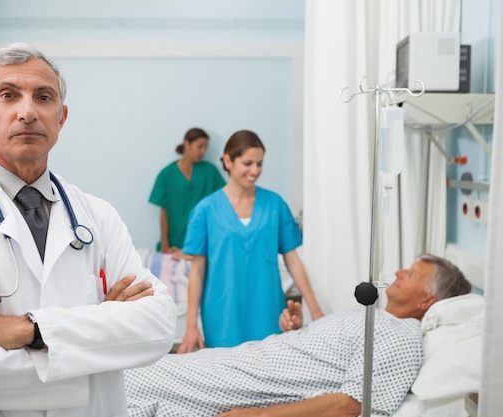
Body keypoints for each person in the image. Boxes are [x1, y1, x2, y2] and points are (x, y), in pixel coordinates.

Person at [0, 43, 177, 417]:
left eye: (43, 97)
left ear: (61, 117)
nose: (27, 112)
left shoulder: (99, 216)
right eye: (8, 95)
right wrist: (94, 353)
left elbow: (157, 326)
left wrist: (32, 330)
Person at [125, 253, 473, 417]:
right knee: (126, 377)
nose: (398, 271)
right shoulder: (373, 318)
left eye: (410, 273)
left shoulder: (400, 336)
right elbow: (321, 361)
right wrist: (297, 329)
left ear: (428, 299)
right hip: (234, 364)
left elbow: (350, 405)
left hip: (237, 383)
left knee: (126, 384)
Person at [178, 129, 323, 352]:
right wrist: (190, 326)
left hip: (268, 311)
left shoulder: (275, 205)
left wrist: (315, 310)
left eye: (260, 163)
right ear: (228, 161)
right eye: (248, 163)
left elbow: (293, 261)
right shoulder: (205, 210)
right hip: (222, 316)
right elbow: (197, 271)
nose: (255, 170)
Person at [148, 127, 225, 258]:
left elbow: (225, 201)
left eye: (205, 147)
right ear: (186, 144)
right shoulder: (167, 174)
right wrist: (165, 244)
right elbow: (164, 212)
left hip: (203, 241)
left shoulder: (210, 171)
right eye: (199, 146)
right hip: (175, 243)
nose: (203, 151)